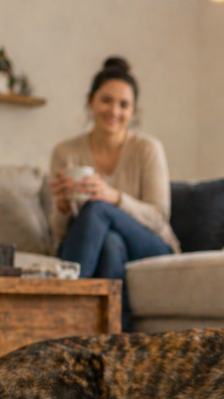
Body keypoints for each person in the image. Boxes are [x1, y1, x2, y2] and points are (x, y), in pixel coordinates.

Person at [48, 57, 179, 331]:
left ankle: (58, 316)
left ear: (133, 111)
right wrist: (61, 207)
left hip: (150, 243)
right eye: (106, 100)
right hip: (92, 242)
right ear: (90, 101)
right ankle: (116, 344)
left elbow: (158, 218)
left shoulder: (147, 149)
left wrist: (113, 197)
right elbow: (59, 233)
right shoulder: (65, 152)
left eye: (124, 105)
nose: (114, 111)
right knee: (109, 243)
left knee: (97, 208)